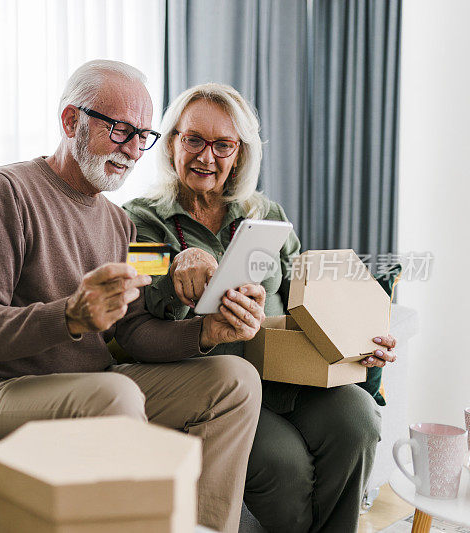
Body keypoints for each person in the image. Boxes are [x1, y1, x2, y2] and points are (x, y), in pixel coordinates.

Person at [0, 60, 263, 532]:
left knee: (235, 379)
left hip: (93, 386)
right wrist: (69, 316)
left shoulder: (122, 224)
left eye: (143, 135)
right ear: (71, 121)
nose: (134, 149)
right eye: (120, 130)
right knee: (113, 393)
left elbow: (134, 334)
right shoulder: (4, 191)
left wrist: (205, 332)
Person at [123, 82, 396, 533]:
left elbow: (304, 304)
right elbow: (143, 293)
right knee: (284, 463)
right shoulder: (139, 220)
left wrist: (360, 340)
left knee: (358, 418)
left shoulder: (267, 214)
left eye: (222, 144)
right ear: (172, 142)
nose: (206, 157)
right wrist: (178, 276)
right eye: (193, 139)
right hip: (216, 389)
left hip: (290, 377)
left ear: (240, 153)